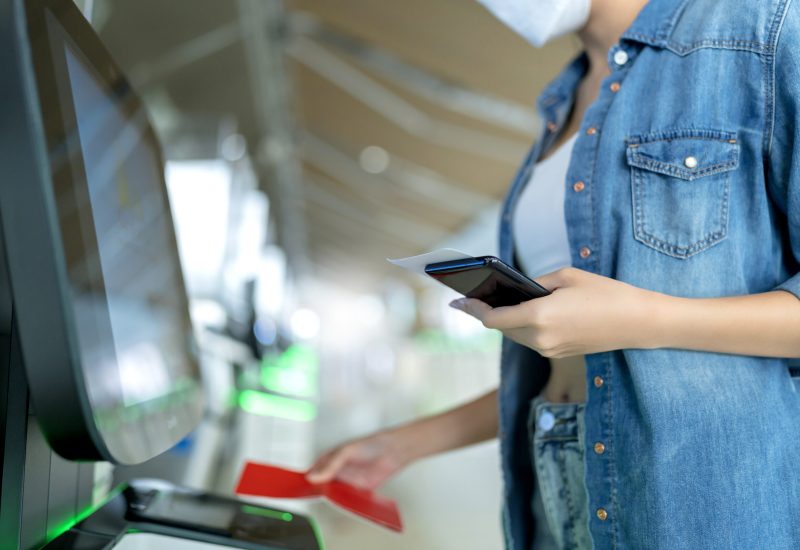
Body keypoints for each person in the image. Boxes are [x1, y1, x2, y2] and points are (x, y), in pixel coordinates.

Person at [307, 0, 800, 548]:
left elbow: (624, 335)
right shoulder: (560, 103)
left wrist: (644, 319)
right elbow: (578, 365)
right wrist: (408, 443)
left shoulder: (764, 31)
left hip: (697, 502)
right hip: (554, 468)